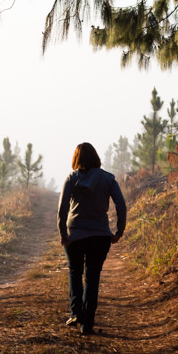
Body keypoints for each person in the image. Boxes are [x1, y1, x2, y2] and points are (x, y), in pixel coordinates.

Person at [57, 142, 126, 335]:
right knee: (92, 278)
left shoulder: (71, 178)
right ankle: (87, 324)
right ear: (96, 157)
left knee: (74, 272)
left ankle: (75, 312)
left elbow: (62, 208)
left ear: (76, 159)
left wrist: (63, 233)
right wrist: (119, 231)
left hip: (75, 236)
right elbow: (121, 205)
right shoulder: (108, 179)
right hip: (100, 236)